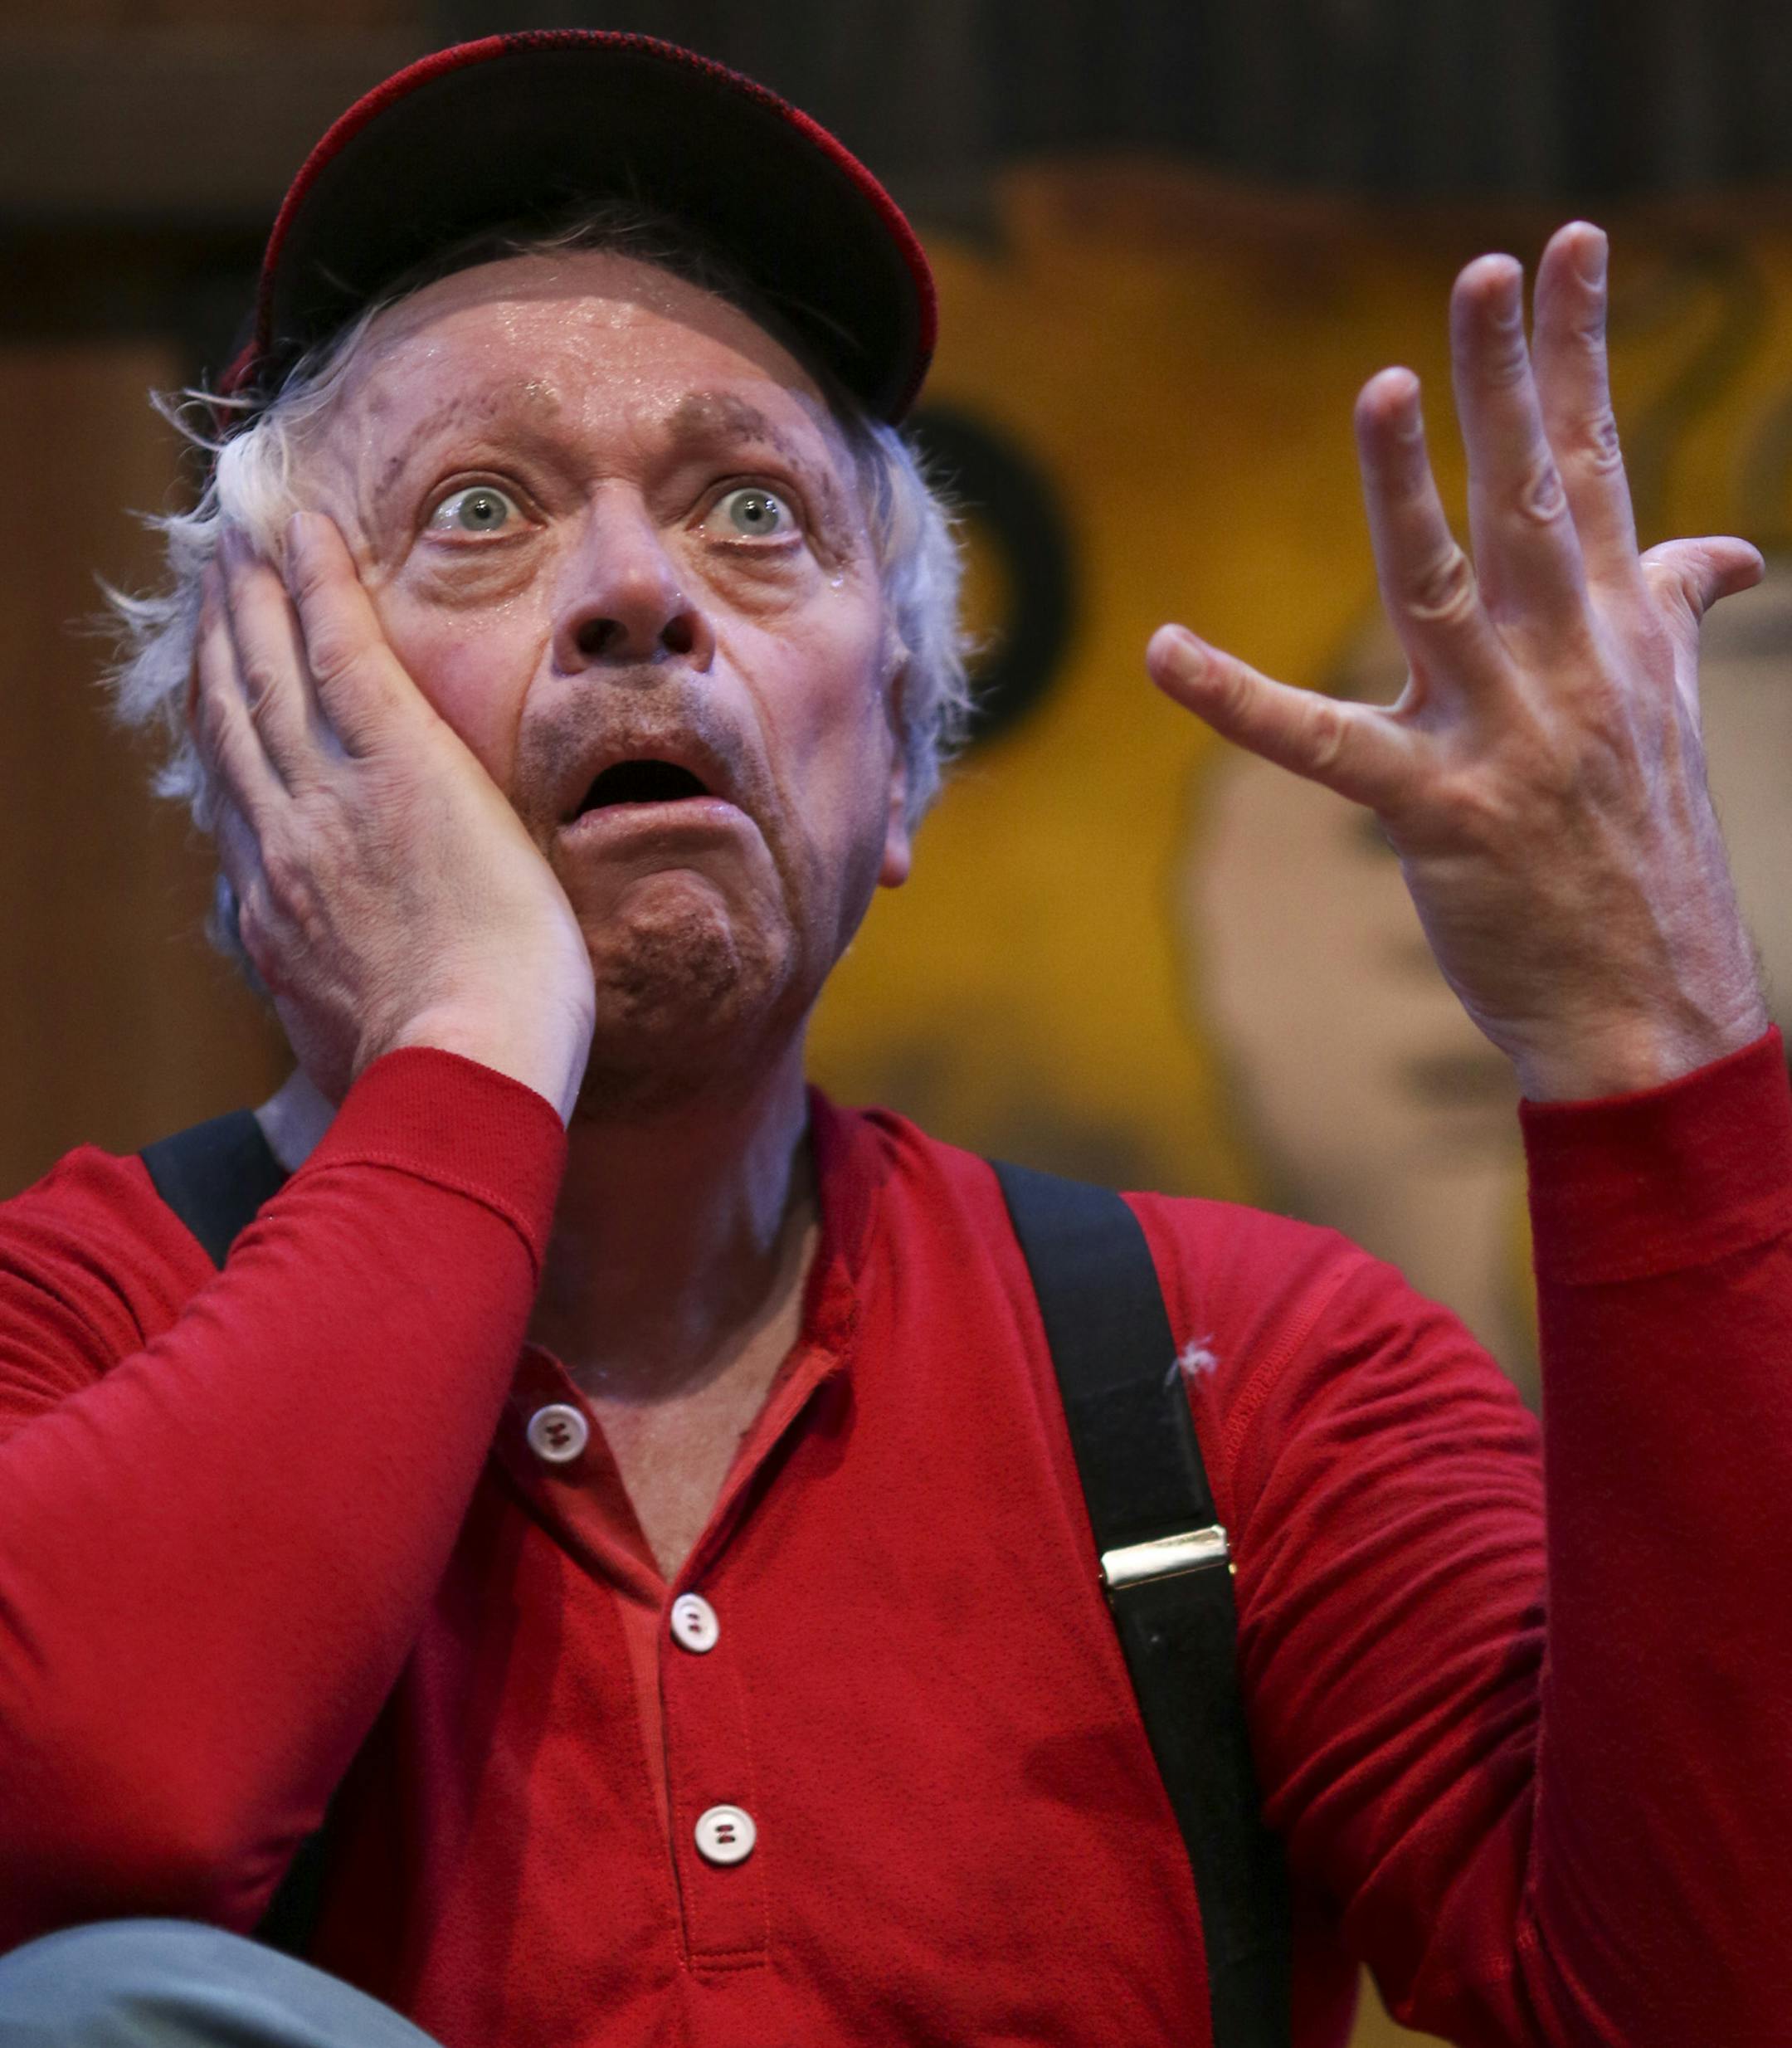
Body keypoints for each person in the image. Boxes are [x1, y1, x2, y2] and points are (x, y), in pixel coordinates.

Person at [2, 29, 1790, 2048]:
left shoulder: (1237, 1375)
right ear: (259, 736)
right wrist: (476, 1026)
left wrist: (1647, 1039)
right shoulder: (66, 1324)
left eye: (753, 511)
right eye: (480, 509)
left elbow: (1713, 1995)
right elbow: (74, 1815)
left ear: (909, 768)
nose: (637, 594)